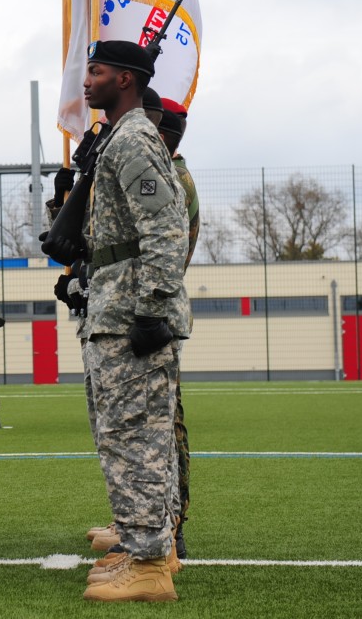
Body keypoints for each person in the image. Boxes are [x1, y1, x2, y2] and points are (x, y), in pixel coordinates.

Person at [72, 41, 190, 603]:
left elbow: (166, 228)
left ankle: (146, 565)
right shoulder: (118, 138)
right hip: (116, 306)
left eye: (95, 71)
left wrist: (151, 308)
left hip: (131, 314)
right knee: (140, 436)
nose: (85, 79)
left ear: (125, 79)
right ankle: (155, 549)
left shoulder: (135, 138)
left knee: (132, 438)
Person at [157, 99, 198, 560]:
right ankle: (152, 516)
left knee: (167, 424)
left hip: (157, 312)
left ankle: (173, 521)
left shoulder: (172, 177)